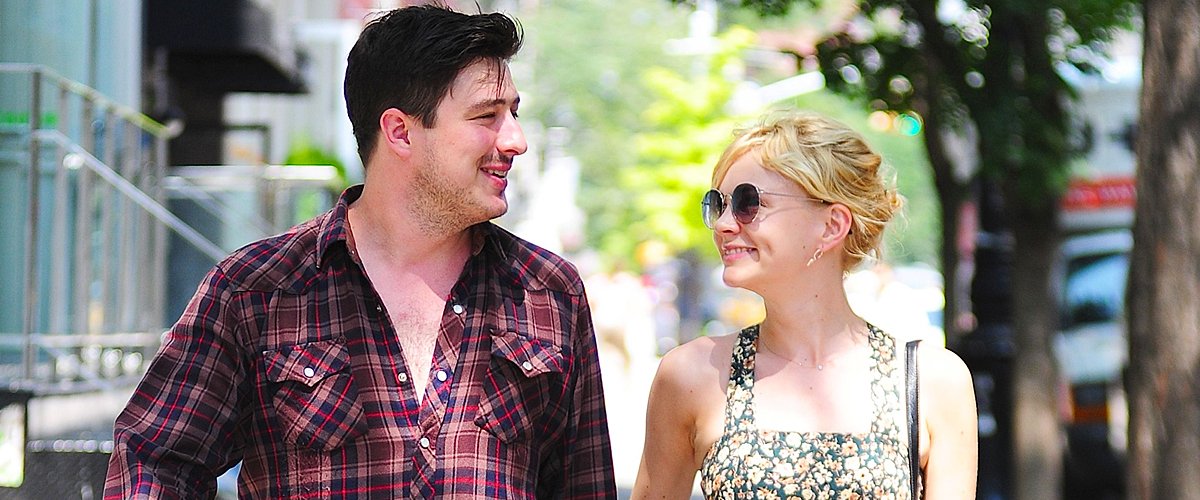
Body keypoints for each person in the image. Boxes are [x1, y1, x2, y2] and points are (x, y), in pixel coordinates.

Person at [104, 5, 616, 498]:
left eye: (514, 113)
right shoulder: (257, 291)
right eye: (487, 116)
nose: (516, 140)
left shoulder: (550, 293)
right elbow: (153, 464)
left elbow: (585, 488)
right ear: (400, 131)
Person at [631, 110, 976, 498]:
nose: (724, 224)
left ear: (831, 225)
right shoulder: (692, 374)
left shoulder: (932, 381)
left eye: (748, 202)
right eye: (718, 203)